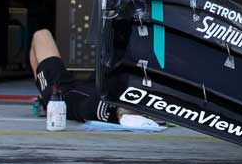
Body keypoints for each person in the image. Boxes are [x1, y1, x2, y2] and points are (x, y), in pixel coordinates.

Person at [30, 29, 161, 130]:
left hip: (62, 94)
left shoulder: (96, 109)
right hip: (90, 90)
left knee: (41, 35)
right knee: (119, 44)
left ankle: (44, 98)